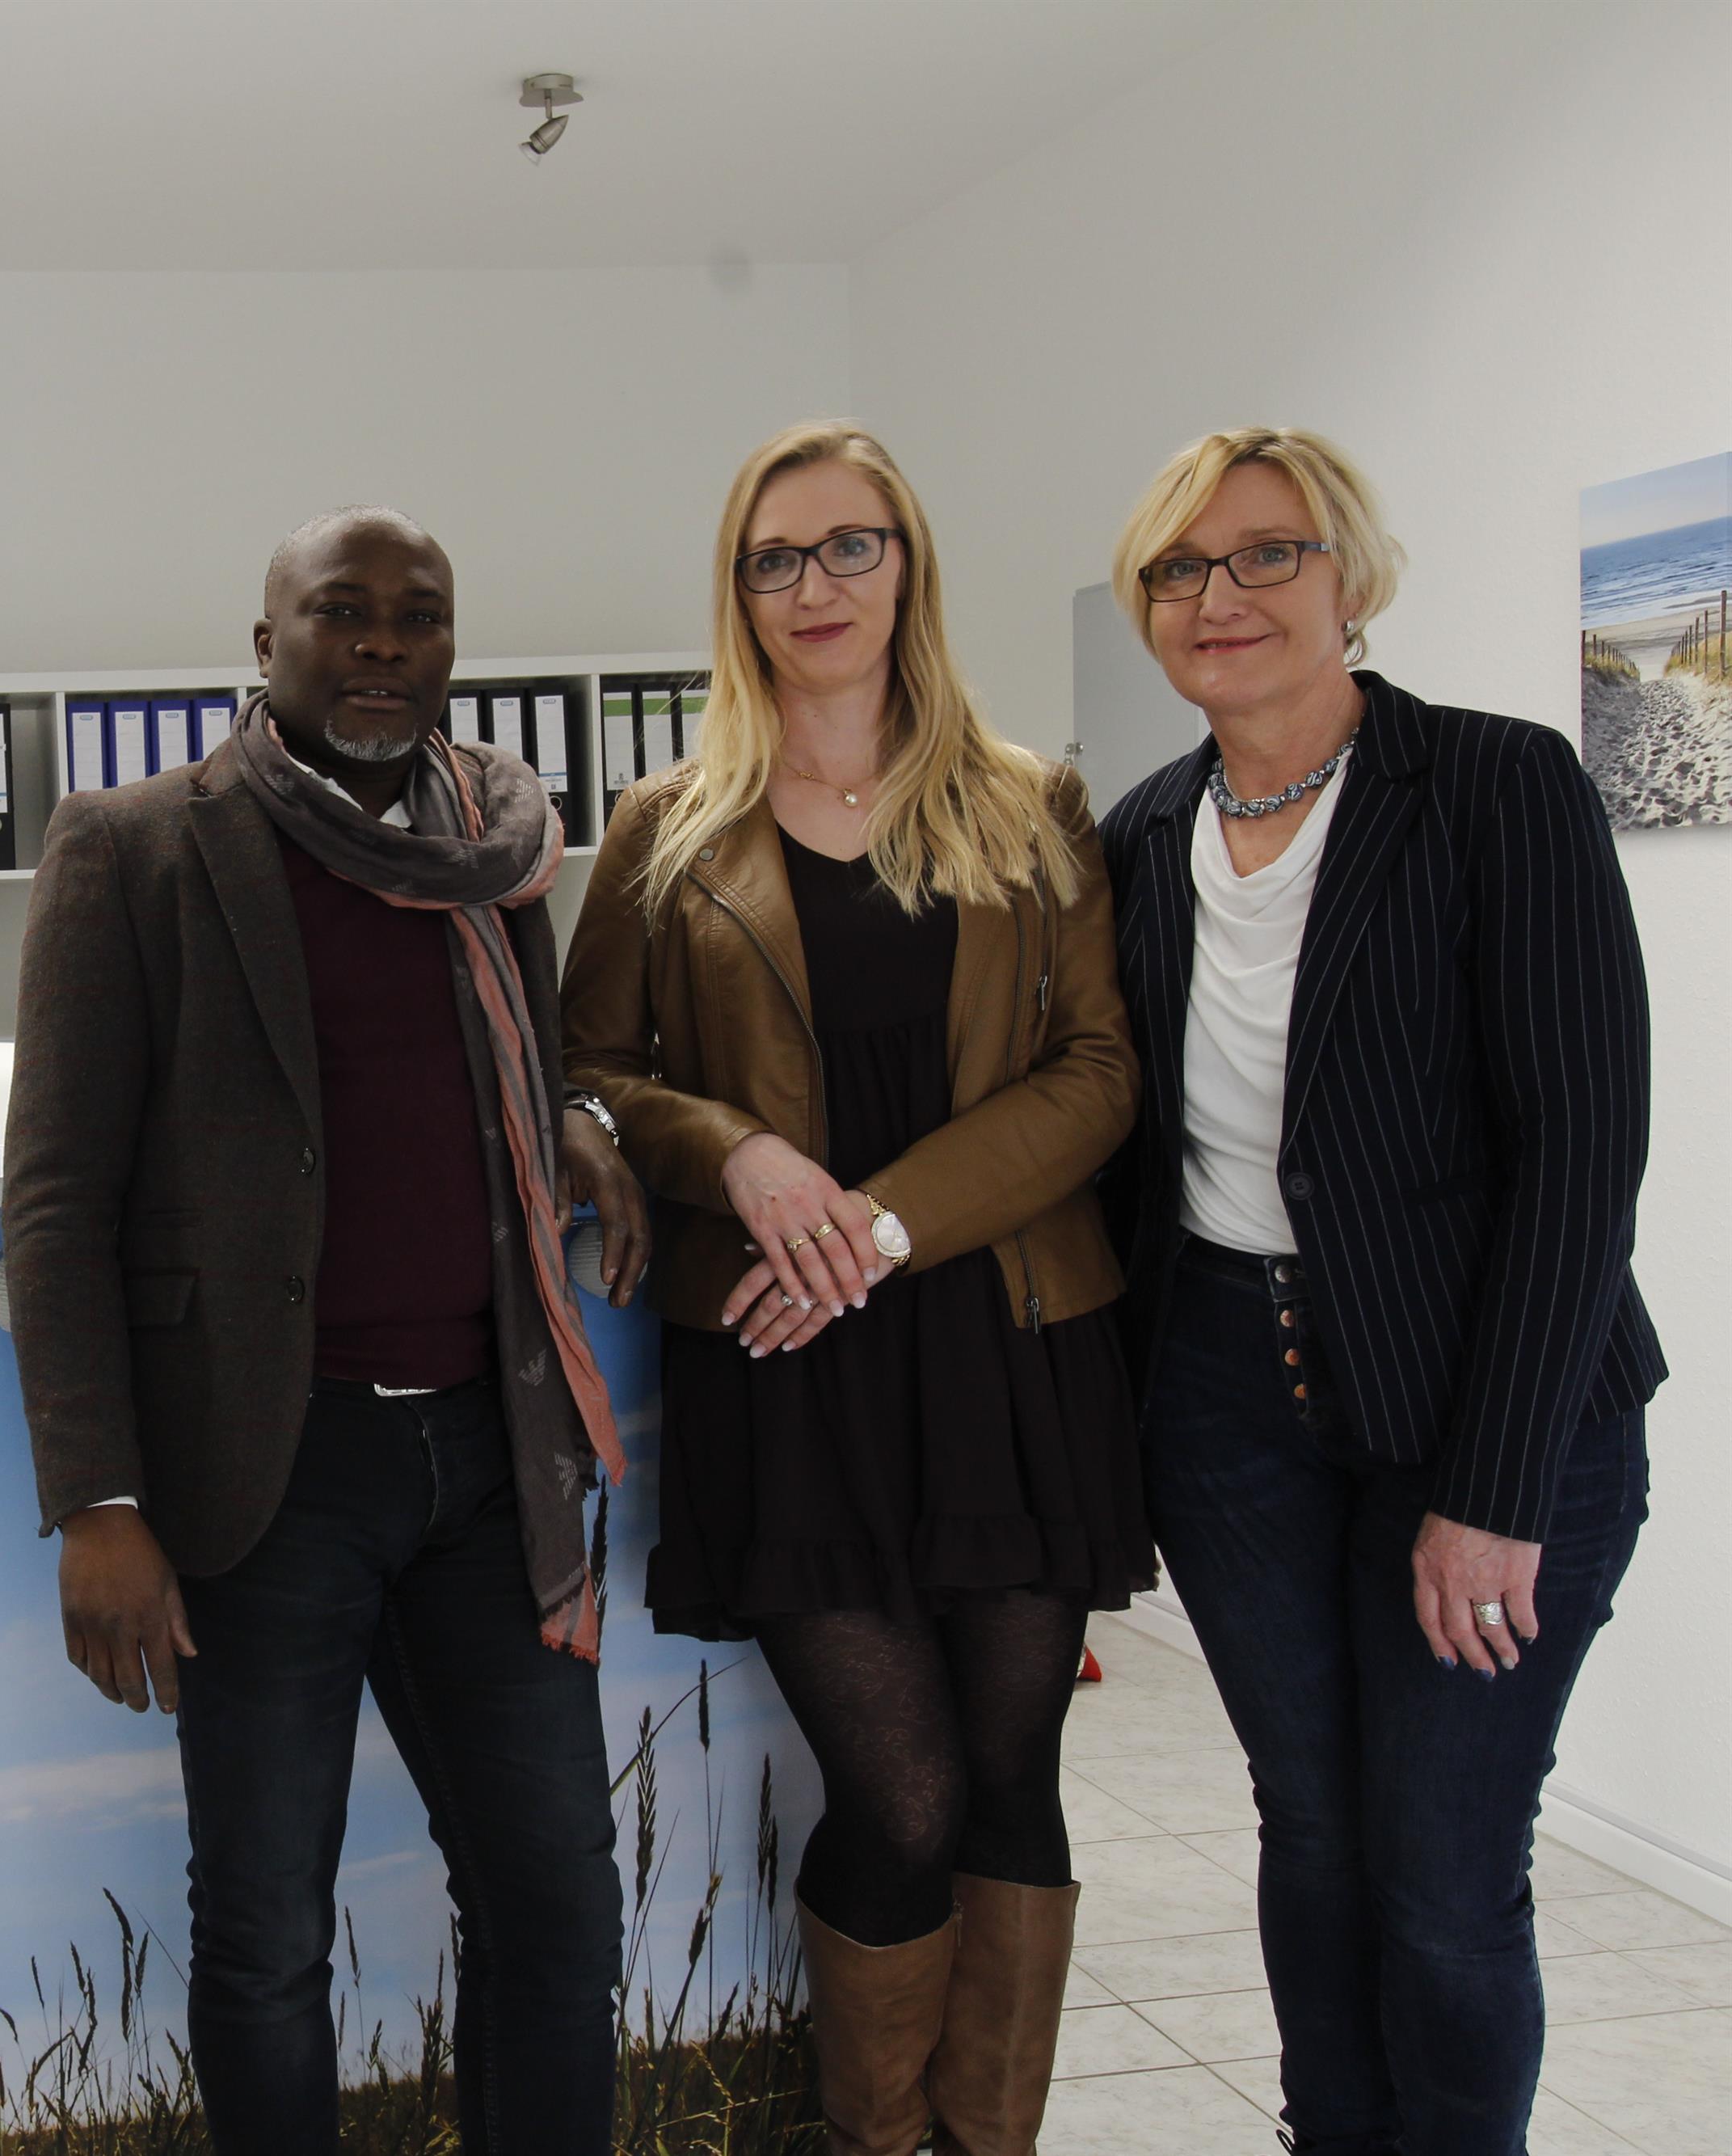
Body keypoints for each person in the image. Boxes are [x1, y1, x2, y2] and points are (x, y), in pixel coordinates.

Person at [1, 506, 633, 2155]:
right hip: (268, 1476)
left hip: (492, 1461)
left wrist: (577, 1116)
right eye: (340, 612)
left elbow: (522, 1068)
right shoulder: (136, 847)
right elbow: (55, 1201)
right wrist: (96, 1499)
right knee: (267, 1931)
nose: (380, 645)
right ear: (263, 640)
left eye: (418, 617)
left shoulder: (498, 847)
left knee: (557, 1904)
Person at [559, 420, 1153, 2156]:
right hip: (786, 1367)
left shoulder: (1029, 802)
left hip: (1007, 1343)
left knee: (1011, 1782)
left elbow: (1098, 1073)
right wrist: (735, 1152)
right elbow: (587, 1071)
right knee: (901, 1798)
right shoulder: (667, 825)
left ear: (907, 565)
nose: (812, 585)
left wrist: (877, 1228)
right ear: (735, 592)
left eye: (848, 546)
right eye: (773, 557)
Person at [1095, 427, 1661, 2156]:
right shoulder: (1141, 835)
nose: (1222, 595)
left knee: (1439, 1869)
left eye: (1267, 553)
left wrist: (1491, 1490)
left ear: (1350, 577)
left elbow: (1579, 1151)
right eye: (1180, 568)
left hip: (1486, 1405)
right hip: (1225, 1411)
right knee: (1315, 1834)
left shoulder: (1492, 787)